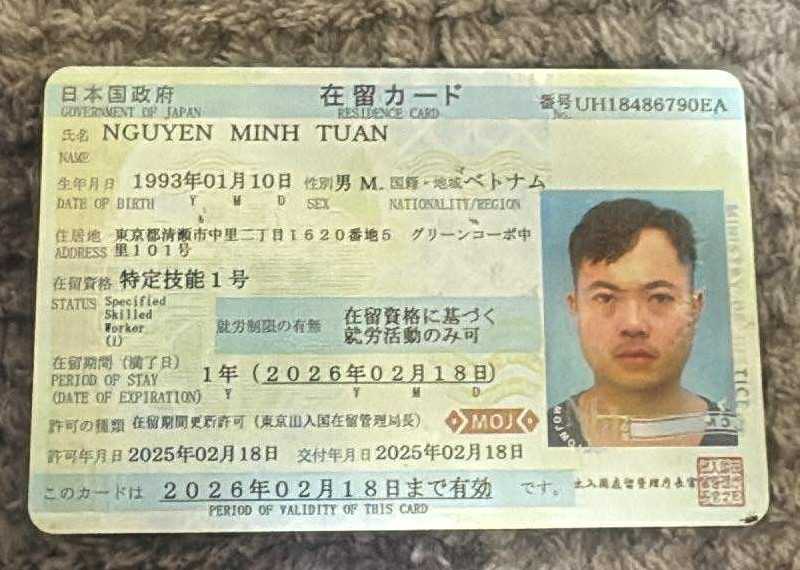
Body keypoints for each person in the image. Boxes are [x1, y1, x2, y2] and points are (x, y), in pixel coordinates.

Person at [548, 198, 737, 447]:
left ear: (695, 308)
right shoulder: (539, 436)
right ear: (575, 306)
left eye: (660, 297)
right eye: (605, 298)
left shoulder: (738, 439)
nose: (633, 324)